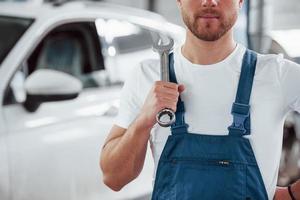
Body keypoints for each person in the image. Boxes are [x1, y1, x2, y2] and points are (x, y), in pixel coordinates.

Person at [100, 0, 300, 199]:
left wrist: (292, 194)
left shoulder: (277, 74)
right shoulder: (147, 75)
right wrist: (143, 121)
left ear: (240, 1)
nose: (209, 1)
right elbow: (113, 178)